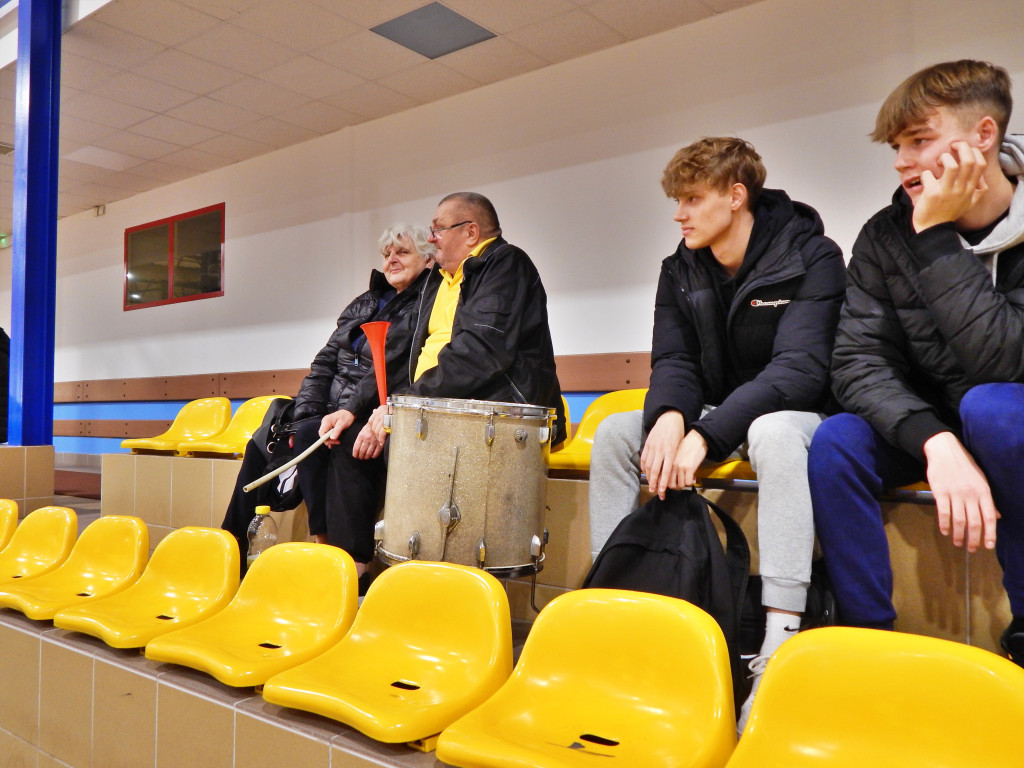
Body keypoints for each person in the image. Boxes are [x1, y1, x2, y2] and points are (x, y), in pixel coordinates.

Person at [587, 137, 845, 731]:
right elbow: (674, 359)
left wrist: (704, 433)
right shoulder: (679, 267)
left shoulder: (813, 254)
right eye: (676, 200)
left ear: (735, 196)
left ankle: (778, 643)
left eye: (692, 198)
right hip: (716, 408)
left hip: (797, 408)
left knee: (776, 435)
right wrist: (673, 416)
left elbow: (799, 372)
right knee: (617, 434)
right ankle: (613, 606)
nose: (679, 213)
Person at [808, 60, 1024, 666]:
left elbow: (1006, 362)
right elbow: (856, 361)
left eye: (920, 141)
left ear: (984, 135)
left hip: (1010, 417)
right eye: (897, 147)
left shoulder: (920, 228)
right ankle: (866, 640)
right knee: (836, 440)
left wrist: (933, 238)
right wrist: (934, 439)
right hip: (936, 426)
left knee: (995, 409)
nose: (902, 161)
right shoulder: (883, 235)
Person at [320, 191, 566, 576]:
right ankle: (354, 572)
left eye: (437, 229)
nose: (430, 238)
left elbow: (481, 353)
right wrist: (351, 408)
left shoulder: (505, 264)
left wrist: (403, 405)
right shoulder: (438, 278)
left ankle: (436, 582)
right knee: (348, 444)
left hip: (492, 414)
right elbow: (396, 349)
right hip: (431, 408)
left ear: (471, 232)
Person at [220, 224, 434, 562]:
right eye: (387, 254)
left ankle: (332, 550)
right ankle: (230, 548)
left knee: (319, 437)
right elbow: (324, 363)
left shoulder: (428, 303)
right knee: (265, 441)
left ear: (428, 259)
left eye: (402, 252)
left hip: (369, 408)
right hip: (331, 409)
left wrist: (347, 412)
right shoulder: (364, 302)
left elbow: (401, 367)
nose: (391, 259)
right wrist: (309, 410)